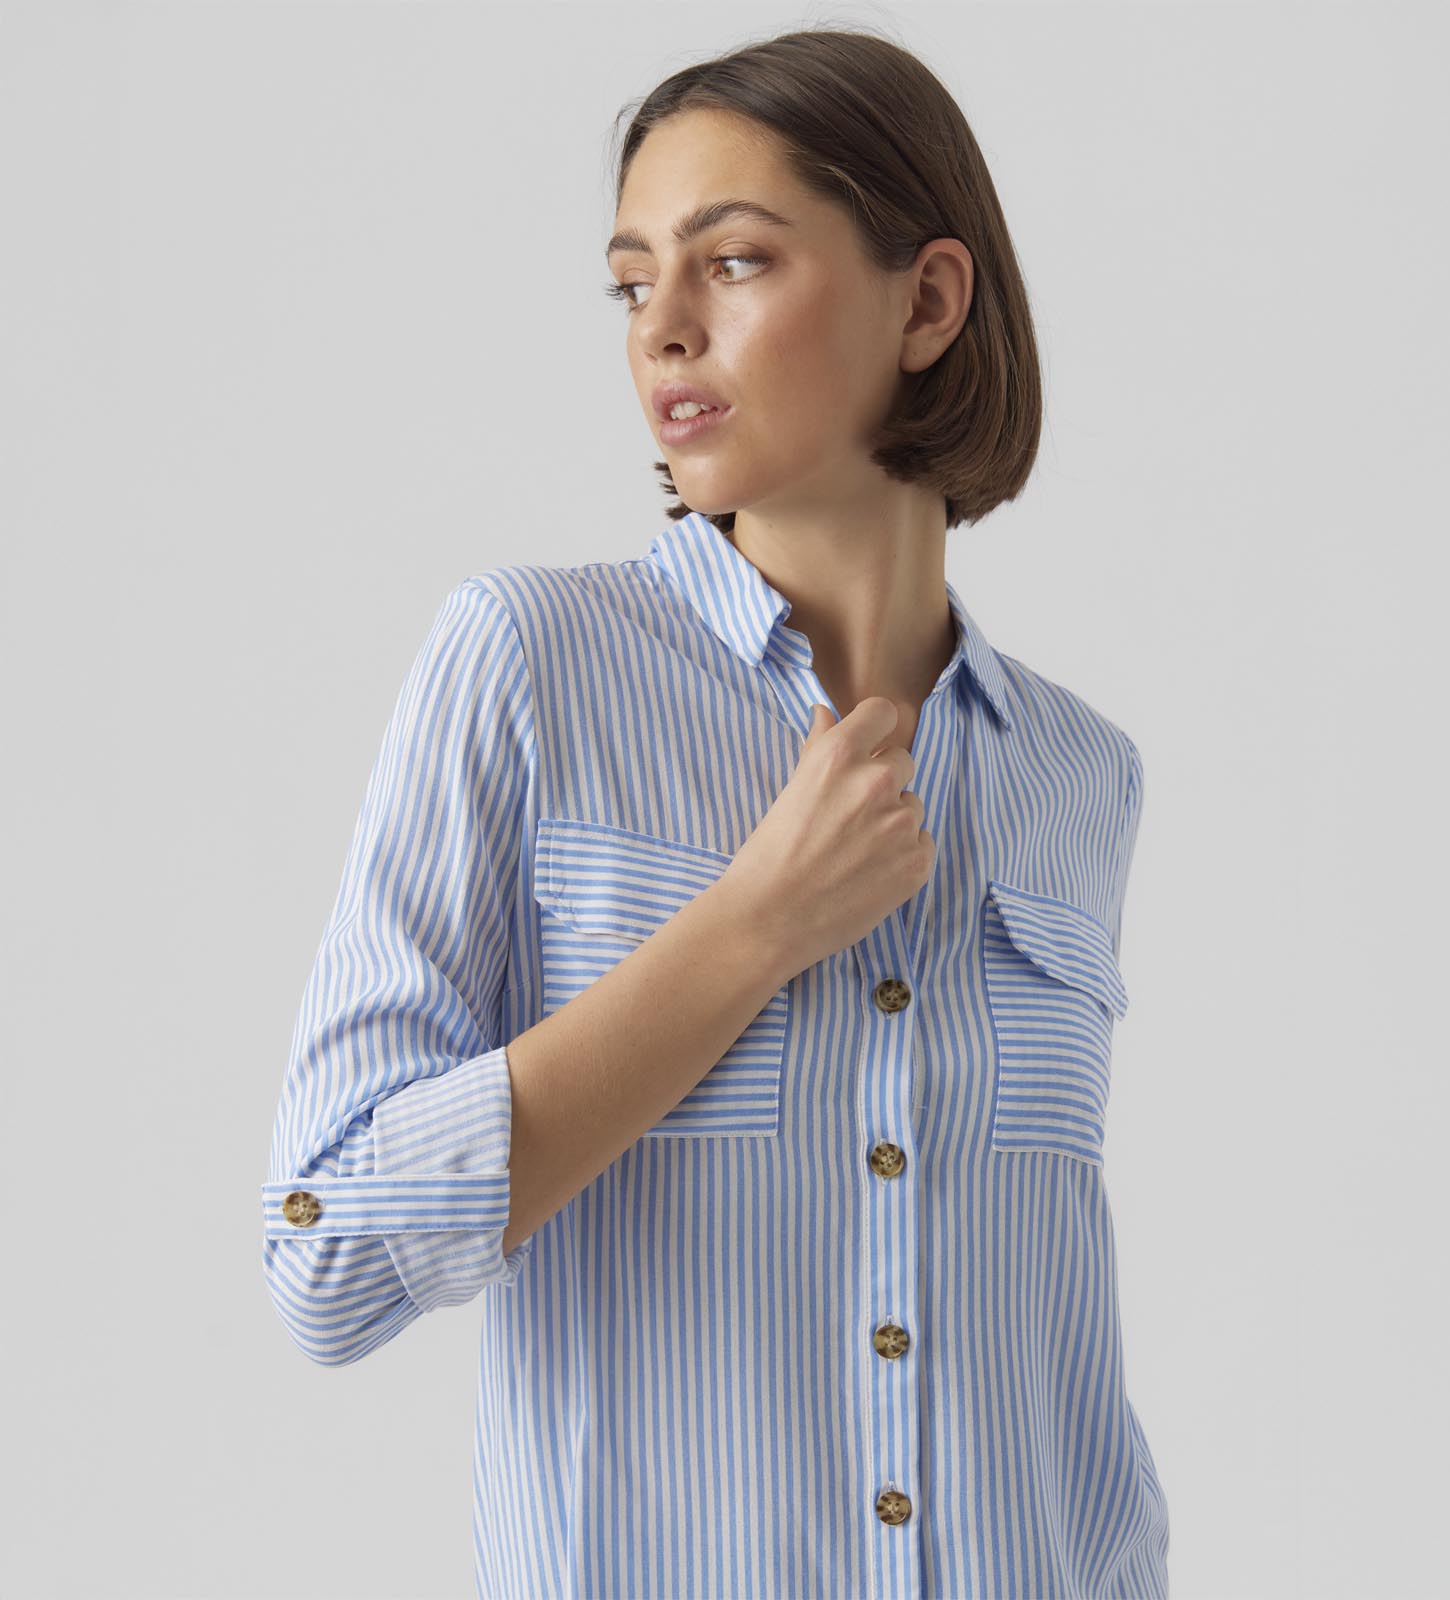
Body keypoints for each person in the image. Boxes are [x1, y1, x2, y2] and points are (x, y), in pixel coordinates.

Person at [260, 25, 1170, 1600]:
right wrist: (751, 928)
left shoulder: (1078, 772)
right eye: (632, 285)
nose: (663, 330)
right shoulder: (529, 664)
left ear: (928, 302)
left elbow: (1057, 1345)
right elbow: (325, 1252)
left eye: (733, 262)